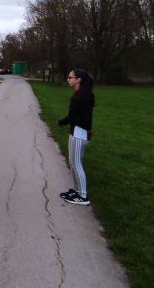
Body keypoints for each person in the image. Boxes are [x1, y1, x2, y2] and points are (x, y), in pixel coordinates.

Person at [58, 69, 95, 206]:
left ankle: (83, 195)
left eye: (70, 77)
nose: (68, 79)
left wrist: (67, 120)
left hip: (80, 132)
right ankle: (76, 190)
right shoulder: (78, 94)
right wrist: (66, 121)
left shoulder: (86, 95)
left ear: (78, 79)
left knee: (77, 163)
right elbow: (73, 115)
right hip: (74, 131)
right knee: (72, 162)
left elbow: (85, 119)